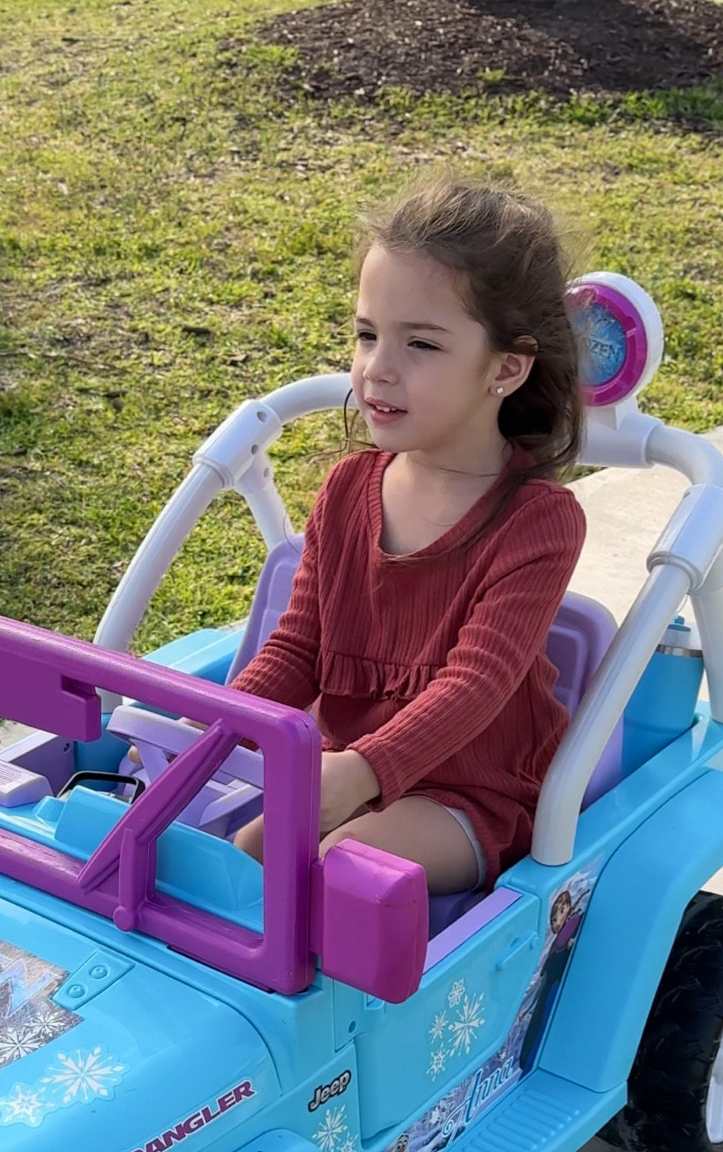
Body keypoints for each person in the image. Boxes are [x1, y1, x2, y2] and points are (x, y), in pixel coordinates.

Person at [230, 177, 588, 892]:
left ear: (507, 368)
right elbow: (299, 646)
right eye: (367, 335)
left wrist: (362, 773)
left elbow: (475, 684)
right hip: (346, 769)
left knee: (342, 872)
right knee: (238, 861)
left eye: (420, 344)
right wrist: (217, 724)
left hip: (467, 794)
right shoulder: (345, 490)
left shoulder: (537, 521)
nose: (376, 369)